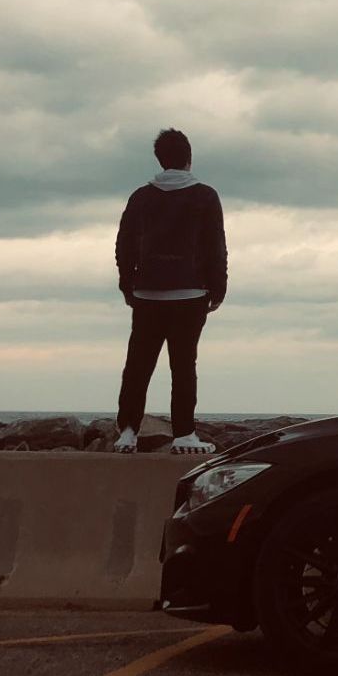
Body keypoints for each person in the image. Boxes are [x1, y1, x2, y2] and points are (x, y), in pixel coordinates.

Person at [113, 128, 227, 455]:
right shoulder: (206, 196)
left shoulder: (140, 197)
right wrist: (218, 288)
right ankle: (184, 434)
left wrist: (128, 284)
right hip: (190, 293)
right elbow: (215, 246)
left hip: (147, 293)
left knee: (138, 365)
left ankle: (128, 432)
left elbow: (124, 245)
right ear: (189, 158)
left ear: (160, 159)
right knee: (183, 365)